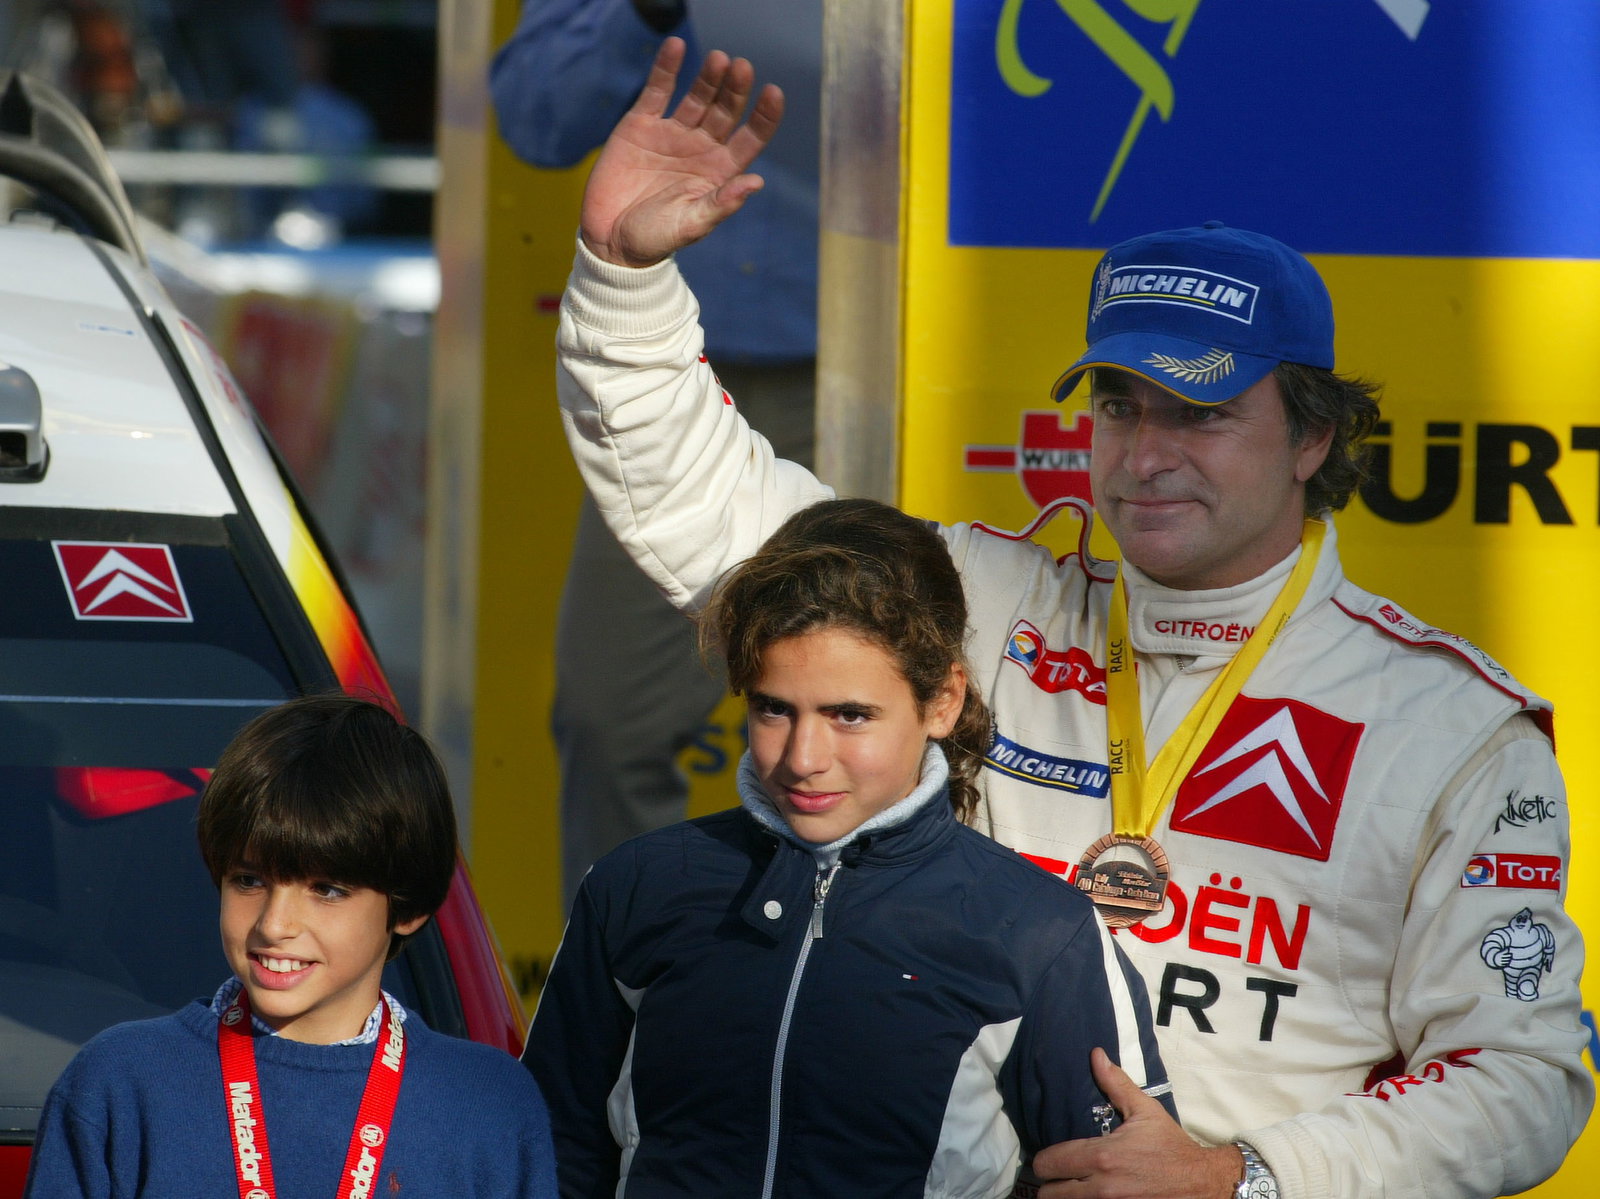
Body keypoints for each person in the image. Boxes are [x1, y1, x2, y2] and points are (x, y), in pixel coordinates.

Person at [544, 39, 1594, 1199]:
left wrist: (1240, 1173)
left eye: (1199, 413)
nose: (1144, 456)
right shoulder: (979, 600)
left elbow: (1521, 1075)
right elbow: (715, 511)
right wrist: (622, 280)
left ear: (1312, 436)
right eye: (1117, 406)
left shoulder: (1448, 725)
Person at [522, 497, 1174, 1197]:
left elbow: (1122, 1179)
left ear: (943, 701)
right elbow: (548, 1155)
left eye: (850, 715)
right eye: (774, 707)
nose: (804, 757)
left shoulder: (1043, 934)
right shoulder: (634, 888)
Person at [491, 0, 821, 908]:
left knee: (913, 712)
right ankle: (626, 1016)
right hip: (685, 365)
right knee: (609, 719)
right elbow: (534, 114)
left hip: (917, 368)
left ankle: (863, 1006)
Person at [24, 695, 558, 1198]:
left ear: (409, 906)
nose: (275, 924)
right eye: (249, 881)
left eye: (327, 890)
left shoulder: (488, 1103)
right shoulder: (120, 1082)